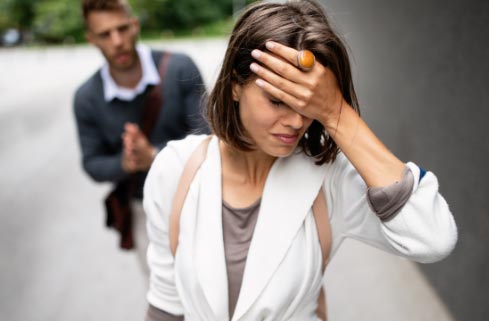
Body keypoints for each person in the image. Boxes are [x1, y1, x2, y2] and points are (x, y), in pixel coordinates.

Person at [143, 0, 458, 320]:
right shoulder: (175, 168)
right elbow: (166, 304)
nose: (296, 121)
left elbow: (432, 238)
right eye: (278, 100)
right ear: (236, 86)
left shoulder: (330, 179)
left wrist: (336, 113)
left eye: (308, 103)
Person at [73, 0, 208, 274]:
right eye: (105, 34)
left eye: (122, 29)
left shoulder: (179, 68)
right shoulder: (86, 98)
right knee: (166, 300)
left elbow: (210, 139)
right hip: (143, 209)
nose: (117, 41)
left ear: (135, 25)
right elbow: (92, 163)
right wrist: (125, 164)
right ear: (91, 40)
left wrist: (155, 157)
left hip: (200, 198)